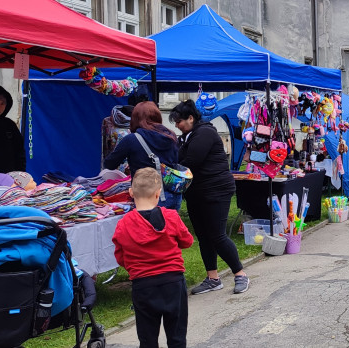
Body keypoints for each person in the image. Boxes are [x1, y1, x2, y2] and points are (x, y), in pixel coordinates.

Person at [169, 100, 249, 295]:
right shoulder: (188, 136)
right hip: (197, 193)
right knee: (204, 237)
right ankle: (213, 278)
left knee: (217, 236)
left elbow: (190, 162)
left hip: (216, 191)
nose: (177, 125)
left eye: (179, 121)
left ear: (191, 118)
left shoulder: (204, 133)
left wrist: (170, 170)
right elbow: (179, 159)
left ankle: (240, 274)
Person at [112, 167, 193, 348]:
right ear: (158, 193)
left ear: (131, 193)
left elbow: (120, 256)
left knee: (147, 339)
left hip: (143, 285)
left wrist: (134, 265)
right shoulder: (171, 217)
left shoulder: (123, 224)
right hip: (173, 281)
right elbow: (187, 241)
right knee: (177, 336)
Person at [104, 101, 180, 209]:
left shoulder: (132, 139)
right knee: (170, 225)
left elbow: (109, 164)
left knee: (147, 226)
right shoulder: (171, 136)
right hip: (173, 195)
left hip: (147, 198)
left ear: (135, 119)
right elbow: (176, 161)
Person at [0, 83, 25, 173]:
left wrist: (20, 175)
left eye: (2, 103)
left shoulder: (9, 125)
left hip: (8, 180)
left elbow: (19, 153)